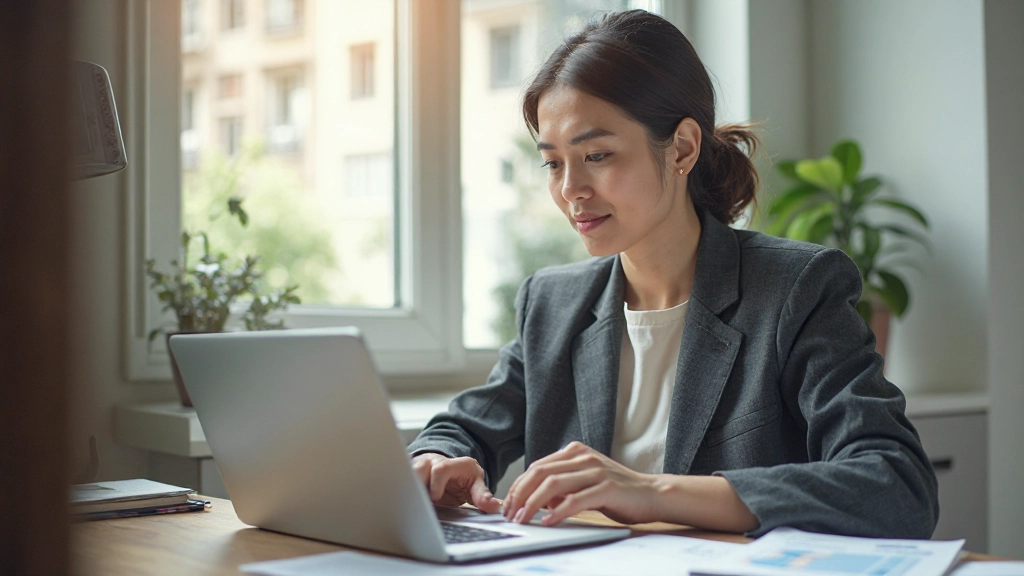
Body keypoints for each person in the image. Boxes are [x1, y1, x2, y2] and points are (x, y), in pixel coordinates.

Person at [407, 9, 938, 538]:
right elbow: (464, 427)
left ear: (682, 147)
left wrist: (651, 491)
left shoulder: (796, 289)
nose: (570, 188)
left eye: (596, 154)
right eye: (553, 162)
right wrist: (436, 457)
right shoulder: (552, 302)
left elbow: (897, 485)